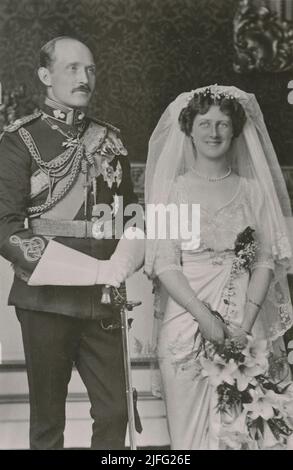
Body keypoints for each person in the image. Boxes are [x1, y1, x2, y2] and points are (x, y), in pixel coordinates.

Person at [0, 36, 144, 450]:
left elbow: (130, 216)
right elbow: (6, 227)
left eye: (91, 69)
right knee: (48, 422)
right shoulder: (18, 140)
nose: (84, 78)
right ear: (45, 76)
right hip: (45, 300)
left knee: (116, 412)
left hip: (102, 300)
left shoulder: (110, 140)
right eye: (72, 69)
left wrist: (122, 262)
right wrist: (95, 270)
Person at [144, 85, 293, 449]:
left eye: (223, 124)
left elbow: (264, 261)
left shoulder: (254, 192)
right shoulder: (173, 191)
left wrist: (244, 323)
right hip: (186, 321)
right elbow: (165, 263)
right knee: (188, 438)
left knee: (243, 430)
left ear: (235, 129)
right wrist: (204, 318)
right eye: (205, 123)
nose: (214, 132)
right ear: (189, 129)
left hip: (246, 320)